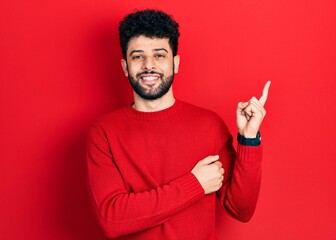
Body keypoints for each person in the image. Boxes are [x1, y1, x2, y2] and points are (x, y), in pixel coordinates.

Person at [86, 9, 271, 240]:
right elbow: (112, 219)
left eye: (159, 55)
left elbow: (241, 209)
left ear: (175, 63)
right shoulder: (103, 132)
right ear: (125, 67)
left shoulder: (209, 125)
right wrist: (196, 184)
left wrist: (249, 139)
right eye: (138, 56)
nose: (148, 65)